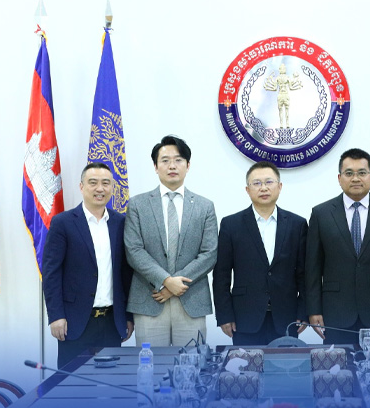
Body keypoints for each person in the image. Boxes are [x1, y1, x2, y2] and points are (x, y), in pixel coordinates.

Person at [306, 148, 370, 344]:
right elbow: (312, 268)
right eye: (349, 173)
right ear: (339, 178)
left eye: (362, 173)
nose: (355, 178)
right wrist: (313, 309)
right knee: (337, 364)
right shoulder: (321, 214)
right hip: (335, 312)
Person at [124, 135, 218, 347]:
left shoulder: (205, 206)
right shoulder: (137, 205)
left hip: (191, 300)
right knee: (151, 364)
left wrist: (177, 285)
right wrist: (166, 281)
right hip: (150, 299)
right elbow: (134, 250)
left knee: (192, 364)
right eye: (165, 160)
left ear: (188, 165)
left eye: (178, 160)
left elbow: (209, 253)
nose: (172, 166)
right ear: (155, 167)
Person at [42, 162, 133, 369]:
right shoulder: (63, 222)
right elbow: (51, 273)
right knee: (72, 383)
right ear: (82, 187)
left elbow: (126, 273)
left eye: (105, 183)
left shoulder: (120, 223)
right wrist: (56, 316)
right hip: (74, 322)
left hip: (112, 322)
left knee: (111, 382)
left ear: (112, 188)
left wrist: (128, 316)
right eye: (93, 183)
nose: (100, 188)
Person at [212, 161, 308, 345]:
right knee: (245, 364)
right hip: (244, 317)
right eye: (256, 183)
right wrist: (224, 315)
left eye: (269, 182)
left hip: (286, 317)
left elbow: (304, 274)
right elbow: (221, 275)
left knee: (286, 362)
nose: (263, 188)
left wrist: (303, 311)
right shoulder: (231, 225)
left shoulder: (297, 224)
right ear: (247, 190)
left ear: (280, 187)